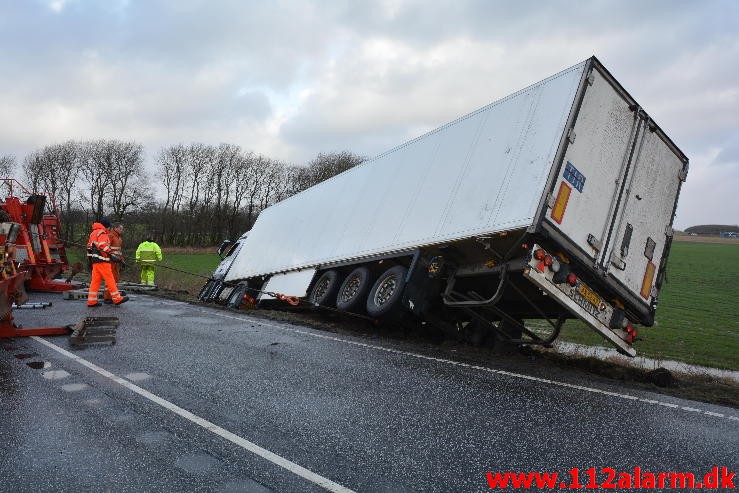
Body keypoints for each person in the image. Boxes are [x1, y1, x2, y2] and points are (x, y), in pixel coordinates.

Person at [86, 218, 129, 307]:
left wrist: (90, 260)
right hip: (103, 260)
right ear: (107, 226)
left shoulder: (93, 233)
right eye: (109, 227)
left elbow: (89, 247)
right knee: (110, 279)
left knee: (95, 282)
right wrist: (111, 255)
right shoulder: (102, 233)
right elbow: (103, 246)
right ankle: (117, 299)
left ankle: (91, 301)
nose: (109, 229)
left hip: (95, 261)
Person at [103, 222, 124, 304]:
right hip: (111, 262)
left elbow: (119, 251)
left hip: (117, 262)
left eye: (122, 229)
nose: (121, 230)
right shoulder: (111, 236)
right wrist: (111, 257)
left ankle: (113, 296)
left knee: (115, 279)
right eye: (120, 228)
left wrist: (122, 260)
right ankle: (107, 297)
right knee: (110, 280)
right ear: (115, 228)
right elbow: (106, 248)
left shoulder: (119, 238)